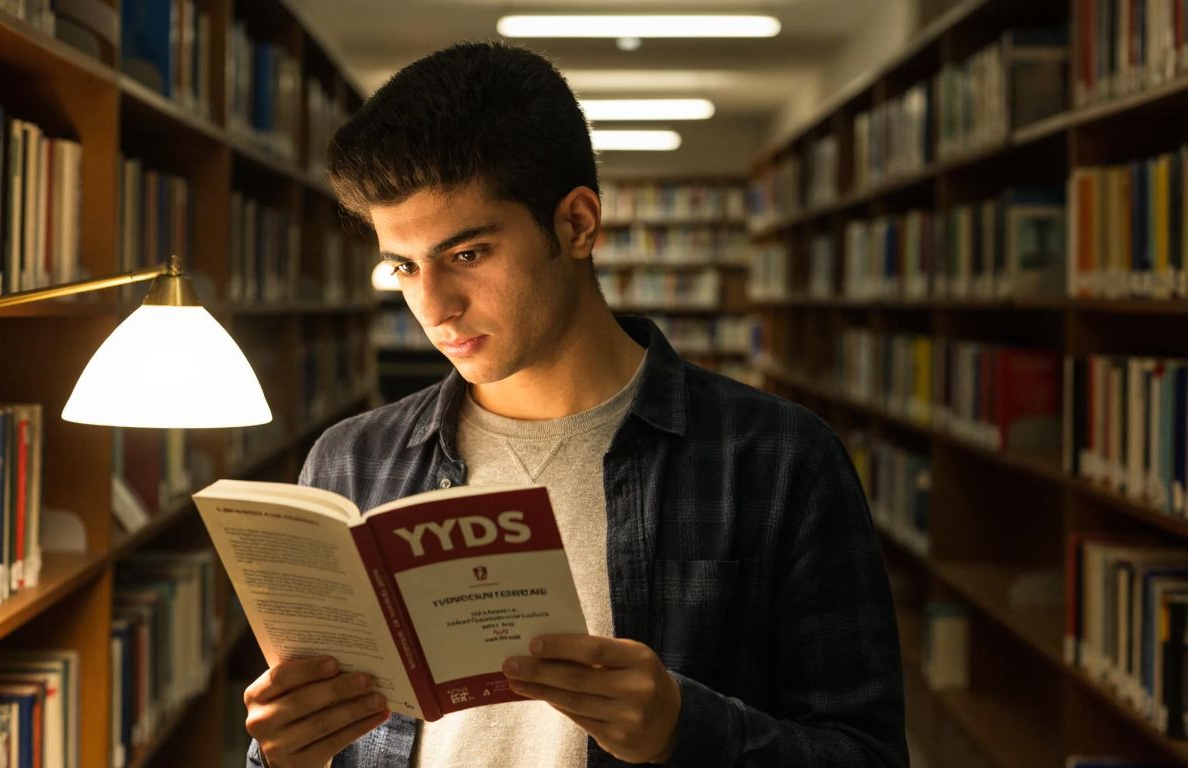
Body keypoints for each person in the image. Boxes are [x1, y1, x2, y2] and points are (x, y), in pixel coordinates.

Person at [242, 41, 908, 768]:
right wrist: (281, 757)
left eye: (468, 255)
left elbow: (868, 753)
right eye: (403, 265)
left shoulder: (779, 461)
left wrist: (686, 729)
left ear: (578, 224)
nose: (433, 308)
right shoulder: (349, 463)